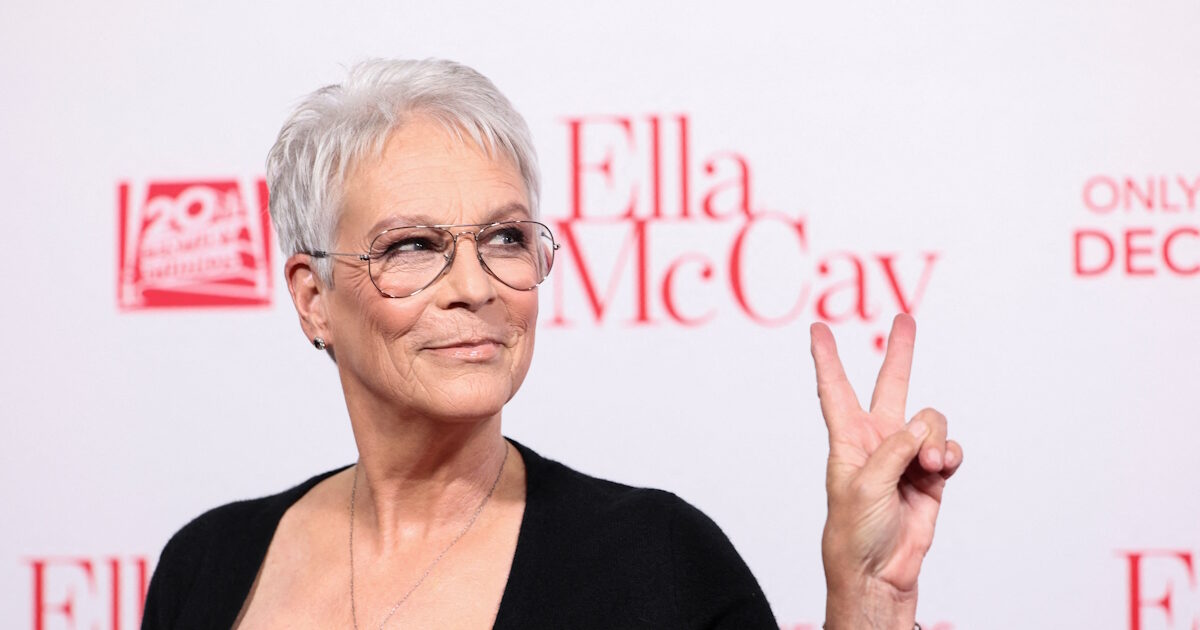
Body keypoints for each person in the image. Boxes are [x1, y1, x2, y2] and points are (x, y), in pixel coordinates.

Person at [141, 58, 962, 630]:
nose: (475, 286)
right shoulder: (206, 567)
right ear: (313, 298)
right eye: (413, 246)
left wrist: (870, 603)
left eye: (504, 237)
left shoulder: (658, 561)